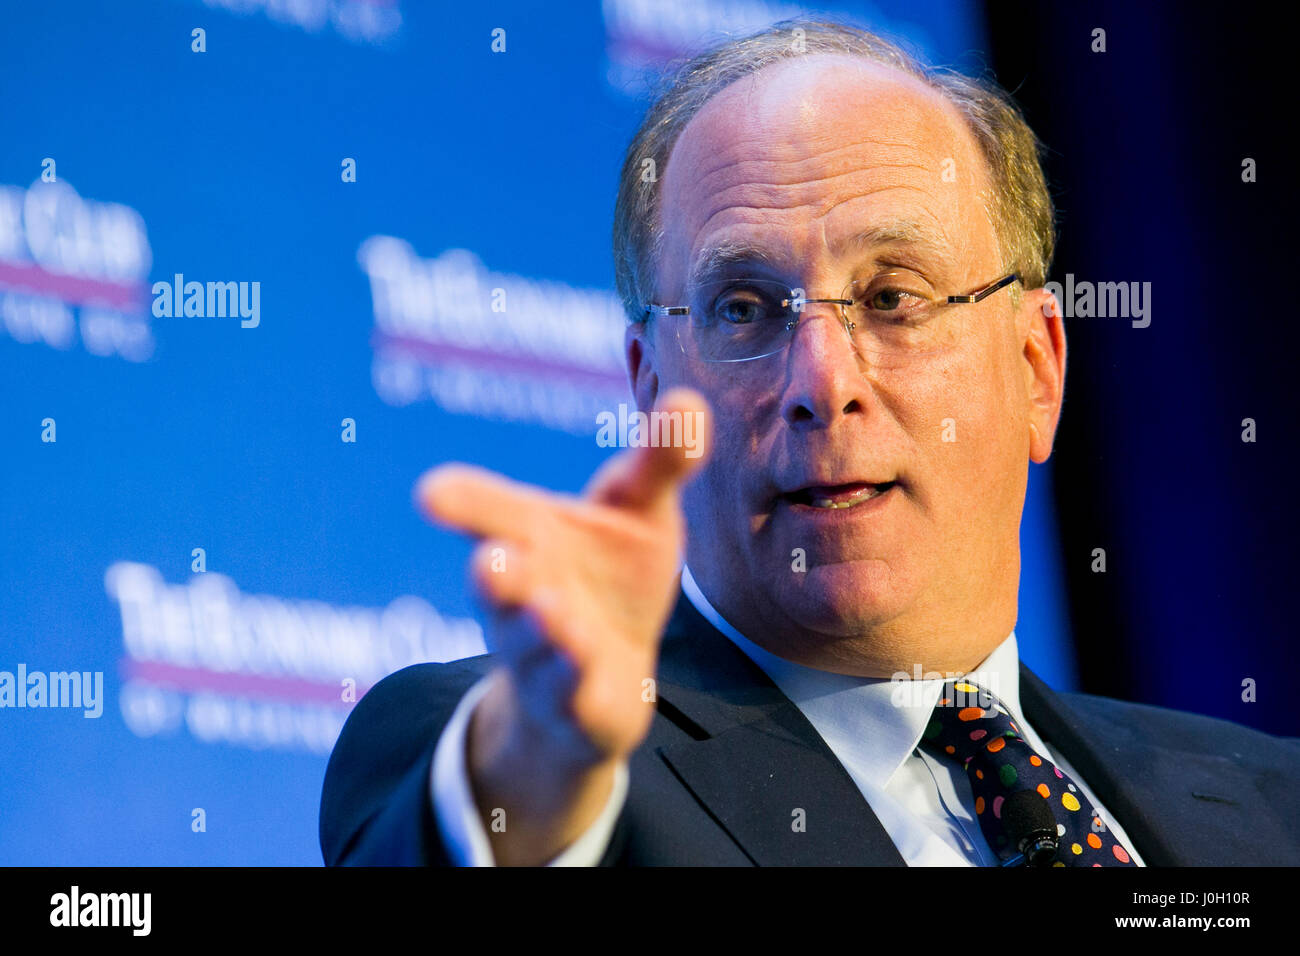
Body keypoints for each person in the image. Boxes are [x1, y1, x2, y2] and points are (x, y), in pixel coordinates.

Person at [319, 19, 1300, 866]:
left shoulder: (1268, 798)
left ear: (1036, 368)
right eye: (744, 309)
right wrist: (535, 771)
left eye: (890, 299)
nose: (821, 382)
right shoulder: (544, 763)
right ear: (651, 387)